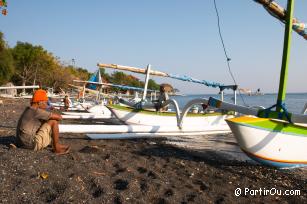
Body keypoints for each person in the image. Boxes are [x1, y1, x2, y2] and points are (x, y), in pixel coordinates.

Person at [16, 89, 70, 155]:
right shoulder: (36, 111)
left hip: (20, 143)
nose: (46, 105)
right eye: (45, 102)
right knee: (53, 122)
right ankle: (57, 148)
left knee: (45, 121)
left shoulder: (29, 109)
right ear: (39, 102)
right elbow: (59, 118)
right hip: (30, 145)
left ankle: (55, 145)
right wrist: (49, 112)